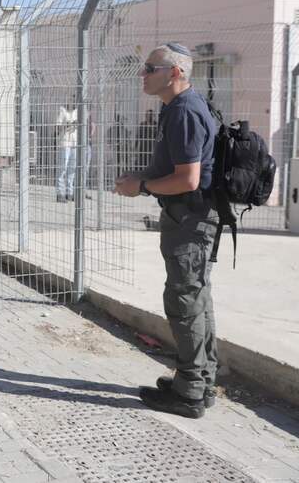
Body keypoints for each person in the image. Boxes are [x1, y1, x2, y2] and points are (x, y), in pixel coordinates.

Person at [114, 43, 218, 419]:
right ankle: (198, 381)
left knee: (185, 301)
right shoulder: (178, 107)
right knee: (196, 297)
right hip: (189, 218)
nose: (143, 74)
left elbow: (188, 180)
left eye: (150, 68)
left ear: (174, 73)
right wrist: (142, 178)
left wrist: (140, 187)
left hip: (189, 220)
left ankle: (190, 391)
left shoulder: (184, 112)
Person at [55, 105, 78, 203]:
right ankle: (60, 193)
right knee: (62, 168)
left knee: (72, 169)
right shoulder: (62, 110)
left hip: (75, 143)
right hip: (64, 143)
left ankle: (70, 192)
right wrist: (67, 125)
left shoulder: (77, 111)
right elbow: (58, 127)